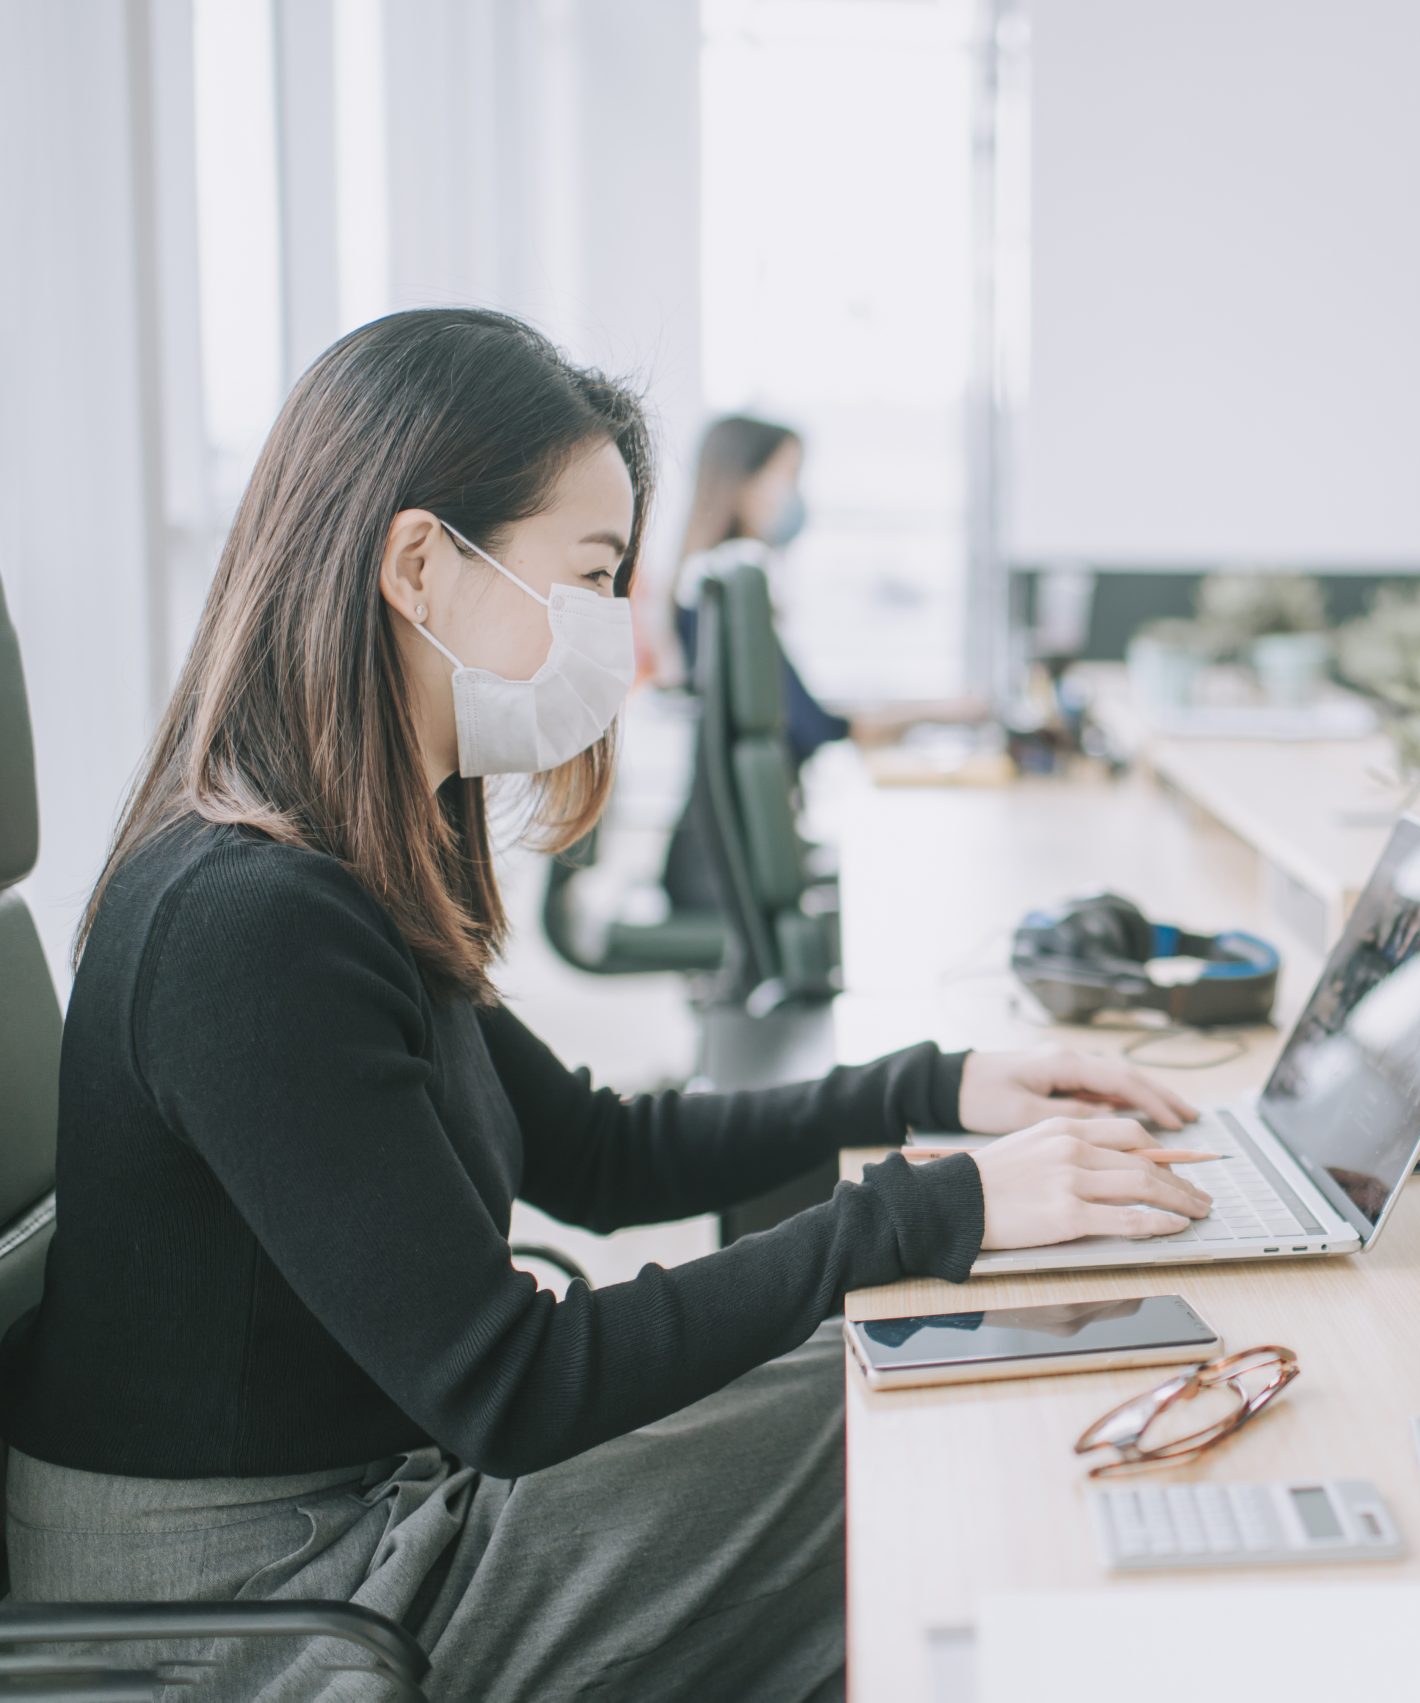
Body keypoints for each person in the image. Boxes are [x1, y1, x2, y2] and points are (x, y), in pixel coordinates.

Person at [0, 308, 1211, 1701]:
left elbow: (595, 1150)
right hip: (262, 1599)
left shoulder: (333, 869)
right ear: (418, 566)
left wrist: (936, 1089)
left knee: (893, 1370)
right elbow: (510, 1382)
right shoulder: (250, 926)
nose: (619, 627)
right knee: (906, 1405)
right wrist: (946, 1208)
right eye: (589, 574)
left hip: (365, 1514)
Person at [659, 415, 848, 913]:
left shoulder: (712, 582)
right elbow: (810, 725)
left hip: (723, 859)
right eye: (787, 478)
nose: (795, 497)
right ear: (740, 484)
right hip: (722, 874)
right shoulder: (727, 591)